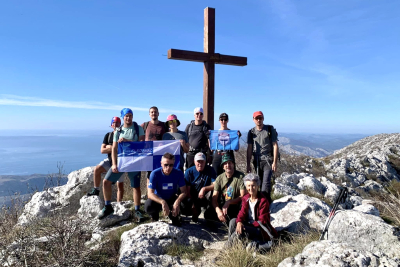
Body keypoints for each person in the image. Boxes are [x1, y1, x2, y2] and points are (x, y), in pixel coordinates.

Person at [98, 108, 145, 220]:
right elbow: (114, 149)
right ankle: (108, 206)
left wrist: (127, 141)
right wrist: (114, 164)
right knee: (106, 182)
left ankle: (137, 210)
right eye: (126, 116)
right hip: (121, 162)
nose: (128, 118)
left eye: (130, 115)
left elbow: (142, 145)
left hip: (134, 161)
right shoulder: (118, 131)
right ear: (123, 117)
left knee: (136, 187)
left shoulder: (138, 129)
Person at [227, 173, 278, 251]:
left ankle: (224, 252)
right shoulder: (246, 198)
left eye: (253, 185)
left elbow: (262, 220)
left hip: (259, 229)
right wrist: (239, 222)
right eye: (248, 186)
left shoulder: (263, 201)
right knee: (233, 222)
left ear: (258, 186)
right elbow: (242, 212)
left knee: (238, 232)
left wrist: (247, 227)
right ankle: (232, 245)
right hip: (249, 225)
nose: (251, 188)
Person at [87, 117, 124, 201]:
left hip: (120, 162)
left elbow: (122, 148)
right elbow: (102, 150)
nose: (116, 124)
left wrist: (109, 147)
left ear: (120, 124)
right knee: (97, 169)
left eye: (118, 123)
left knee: (120, 185)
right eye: (114, 123)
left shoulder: (122, 134)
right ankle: (96, 189)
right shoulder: (108, 135)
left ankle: (119, 204)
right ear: (111, 125)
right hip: (109, 160)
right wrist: (113, 147)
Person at [145, 152, 187, 226]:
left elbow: (184, 191)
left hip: (171, 198)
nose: (168, 168)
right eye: (166, 165)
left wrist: (177, 201)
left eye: (171, 165)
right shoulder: (155, 174)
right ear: (161, 164)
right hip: (159, 200)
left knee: (185, 204)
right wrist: (162, 202)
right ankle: (155, 216)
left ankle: (174, 215)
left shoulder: (178, 173)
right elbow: (150, 193)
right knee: (148, 205)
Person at [246, 111, 279, 204]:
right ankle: (260, 204)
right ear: (253, 120)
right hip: (256, 161)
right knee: (257, 184)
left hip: (267, 160)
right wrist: (248, 164)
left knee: (266, 184)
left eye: (260, 118)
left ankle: (266, 204)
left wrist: (275, 162)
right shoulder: (251, 132)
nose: (259, 120)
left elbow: (275, 145)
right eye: (256, 118)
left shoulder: (269, 129)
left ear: (263, 118)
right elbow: (249, 148)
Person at [204, 154, 246, 223]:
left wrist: (229, 202)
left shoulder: (240, 176)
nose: (228, 165)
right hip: (223, 205)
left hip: (235, 205)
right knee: (208, 215)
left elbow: (242, 196)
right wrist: (218, 210)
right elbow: (214, 198)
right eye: (225, 163)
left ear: (233, 164)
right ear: (223, 167)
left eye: (230, 163)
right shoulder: (219, 178)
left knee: (235, 217)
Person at [181, 152, 216, 222]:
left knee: (215, 193)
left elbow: (216, 184)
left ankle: (209, 215)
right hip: (192, 194)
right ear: (194, 161)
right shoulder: (189, 171)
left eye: (202, 161)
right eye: (198, 161)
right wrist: (194, 203)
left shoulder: (210, 170)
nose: (200, 164)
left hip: (205, 194)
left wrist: (204, 189)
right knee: (185, 204)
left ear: (205, 162)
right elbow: (187, 191)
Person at [141, 106, 167, 184]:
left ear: (158, 113)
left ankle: (160, 194)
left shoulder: (164, 125)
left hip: (160, 154)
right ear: (149, 114)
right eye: (152, 112)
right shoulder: (144, 125)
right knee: (149, 176)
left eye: (155, 112)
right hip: (148, 155)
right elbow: (137, 136)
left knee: (161, 174)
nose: (153, 113)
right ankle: (149, 194)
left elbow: (169, 138)